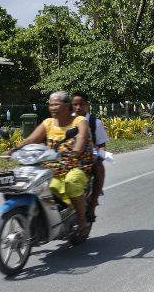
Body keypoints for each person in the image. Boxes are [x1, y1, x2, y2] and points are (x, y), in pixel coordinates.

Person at [9, 91, 93, 236]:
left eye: (56, 104)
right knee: (32, 182)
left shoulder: (79, 121)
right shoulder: (47, 123)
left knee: (72, 182)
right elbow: (31, 139)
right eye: (51, 104)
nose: (52, 107)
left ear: (67, 106)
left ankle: (81, 219)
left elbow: (82, 136)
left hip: (76, 164)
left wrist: (77, 150)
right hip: (52, 165)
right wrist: (13, 150)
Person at [72, 92, 108, 223]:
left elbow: (102, 144)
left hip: (88, 156)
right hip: (68, 155)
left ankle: (92, 205)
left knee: (99, 168)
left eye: (81, 104)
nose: (77, 107)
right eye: (74, 104)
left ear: (87, 105)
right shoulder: (68, 120)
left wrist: (100, 155)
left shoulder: (94, 122)